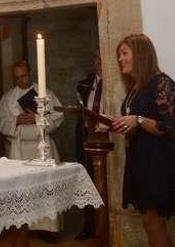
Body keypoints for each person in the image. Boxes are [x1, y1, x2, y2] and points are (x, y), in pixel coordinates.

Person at [111, 34, 175, 247]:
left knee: (153, 222)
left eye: (124, 53)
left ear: (140, 55)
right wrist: (120, 124)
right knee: (151, 223)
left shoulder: (163, 83)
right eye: (119, 55)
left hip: (157, 163)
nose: (120, 59)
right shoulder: (135, 87)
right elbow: (135, 123)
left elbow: (167, 127)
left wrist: (137, 120)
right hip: (139, 160)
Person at [0, 59, 63, 236]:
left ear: (30, 73)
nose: (20, 80)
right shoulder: (8, 97)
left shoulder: (44, 93)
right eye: (16, 77)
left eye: (23, 76)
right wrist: (16, 120)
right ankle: (24, 228)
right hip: (19, 150)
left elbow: (58, 117)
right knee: (22, 191)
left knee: (44, 189)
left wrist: (37, 119)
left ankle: (47, 229)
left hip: (42, 148)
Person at [74, 51, 106, 240]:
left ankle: (105, 225)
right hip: (87, 137)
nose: (98, 63)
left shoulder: (116, 82)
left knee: (104, 182)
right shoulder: (85, 84)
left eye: (102, 59)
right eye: (96, 59)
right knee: (87, 181)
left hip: (107, 137)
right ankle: (89, 225)